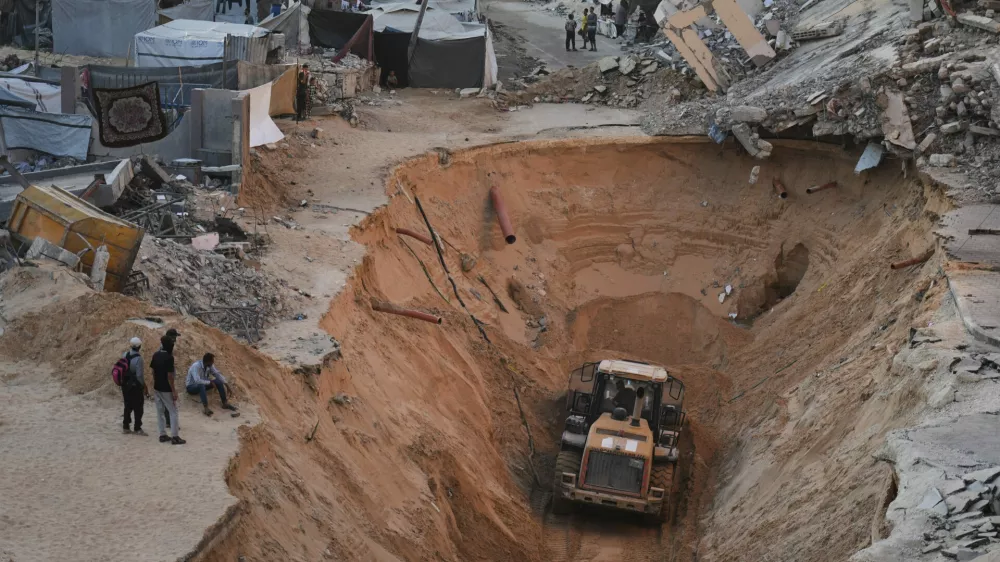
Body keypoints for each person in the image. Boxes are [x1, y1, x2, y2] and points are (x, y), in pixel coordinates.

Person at [151, 336, 186, 445]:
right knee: (173, 411)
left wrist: (156, 382)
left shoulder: (155, 355)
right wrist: (174, 391)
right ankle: (175, 437)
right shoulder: (169, 357)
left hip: (157, 387)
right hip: (166, 389)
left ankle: (162, 435)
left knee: (160, 411)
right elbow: (170, 376)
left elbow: (153, 372)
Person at [121, 337, 148, 435]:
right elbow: (139, 375)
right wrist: (143, 386)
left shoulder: (125, 354)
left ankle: (126, 427)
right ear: (139, 346)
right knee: (138, 407)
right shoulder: (139, 359)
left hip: (125, 384)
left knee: (127, 405)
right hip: (135, 386)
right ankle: (137, 428)